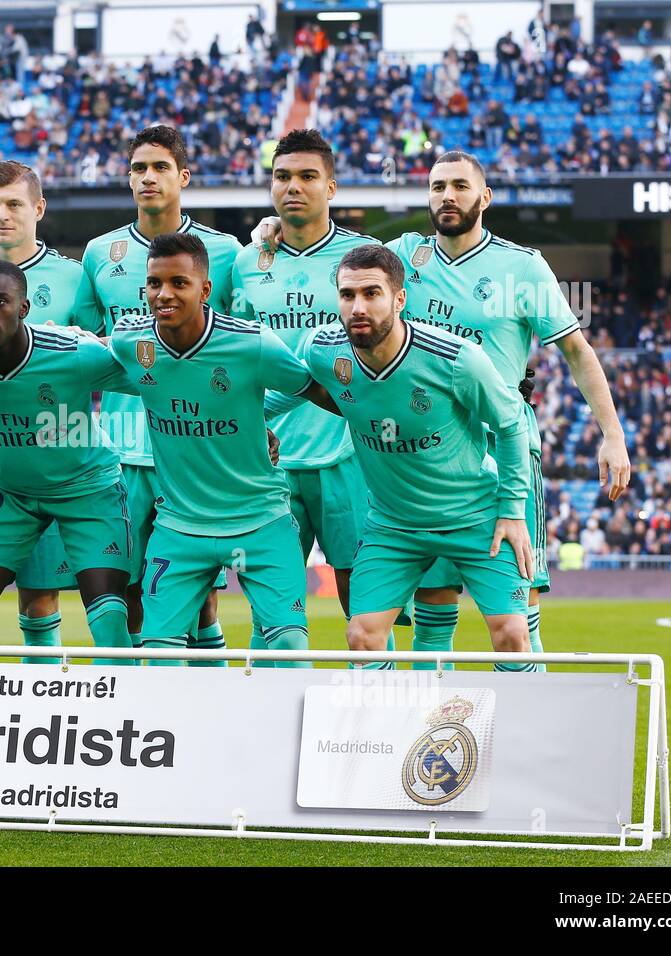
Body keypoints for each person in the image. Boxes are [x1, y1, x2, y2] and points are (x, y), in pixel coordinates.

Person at [385, 151, 629, 668]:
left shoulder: (522, 267)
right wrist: (269, 231)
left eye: (458, 186)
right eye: (436, 187)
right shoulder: (404, 259)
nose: (446, 196)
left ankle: (528, 738)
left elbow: (577, 351)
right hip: (425, 455)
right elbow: (334, 258)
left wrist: (613, 434)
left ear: (485, 197)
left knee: (519, 614)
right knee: (433, 609)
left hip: (504, 449)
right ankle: (430, 738)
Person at [267, 245, 536, 670]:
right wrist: (250, 422)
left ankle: (522, 735)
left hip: (476, 517)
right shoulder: (323, 350)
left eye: (371, 293)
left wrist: (512, 511)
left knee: (513, 634)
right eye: (347, 294)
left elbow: (510, 423)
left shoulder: (455, 359)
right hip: (393, 525)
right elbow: (285, 392)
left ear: (399, 299)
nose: (357, 306)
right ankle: (387, 735)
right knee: (363, 635)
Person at [109, 233, 322, 666]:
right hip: (179, 527)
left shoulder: (251, 343)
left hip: (260, 521)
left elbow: (311, 388)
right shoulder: (131, 342)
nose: (163, 294)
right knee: (160, 662)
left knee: (289, 649)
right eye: (154, 283)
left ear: (205, 290)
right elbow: (80, 363)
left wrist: (258, 416)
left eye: (178, 283)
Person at [0, 260, 136, 664]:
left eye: (0, 302)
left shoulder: (72, 353)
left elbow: (150, 378)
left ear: (25, 307)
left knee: (107, 616)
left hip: (88, 490)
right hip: (10, 493)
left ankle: (122, 719)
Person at [230, 129, 396, 661]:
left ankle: (383, 723)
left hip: (352, 455)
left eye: (307, 177)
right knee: (272, 612)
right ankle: (265, 727)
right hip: (269, 458)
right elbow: (238, 358)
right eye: (282, 177)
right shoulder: (248, 262)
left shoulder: (366, 257)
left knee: (363, 606)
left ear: (332, 186)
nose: (293, 187)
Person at [82, 126, 243, 660]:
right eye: (138, 169)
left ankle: (207, 707)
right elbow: (90, 350)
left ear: (184, 177)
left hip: (195, 447)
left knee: (201, 598)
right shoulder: (99, 252)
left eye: (159, 168)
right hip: (124, 448)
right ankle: (134, 709)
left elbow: (238, 350)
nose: (147, 178)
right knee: (128, 588)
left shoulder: (225, 253)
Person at [0, 161, 101, 662]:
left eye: (13, 204)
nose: (1, 215)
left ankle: (44, 707)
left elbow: (100, 358)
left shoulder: (74, 276)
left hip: (53, 467)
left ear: (39, 208)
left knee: (40, 600)